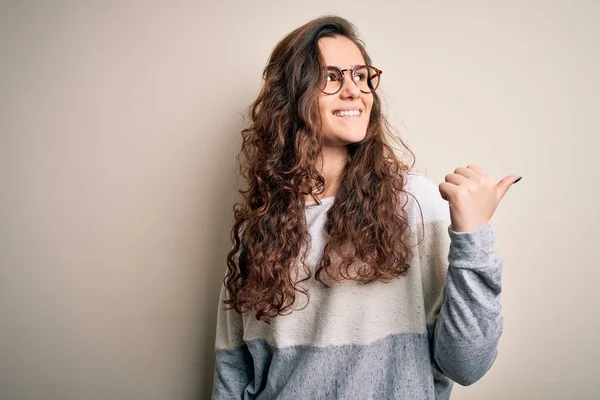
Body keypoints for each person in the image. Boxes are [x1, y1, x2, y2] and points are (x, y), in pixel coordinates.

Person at [211, 15, 521, 400]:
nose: (354, 90)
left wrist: (473, 237)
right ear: (291, 97)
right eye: (331, 77)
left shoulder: (415, 205)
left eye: (360, 75)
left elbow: (467, 365)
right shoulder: (255, 232)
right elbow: (233, 375)